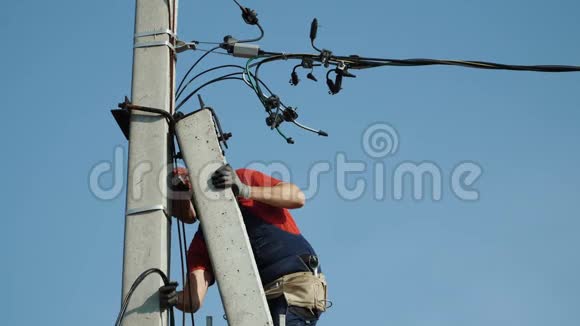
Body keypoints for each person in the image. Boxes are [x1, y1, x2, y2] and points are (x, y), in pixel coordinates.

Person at [160, 164, 327, 326]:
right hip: (259, 305)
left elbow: (297, 197)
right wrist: (175, 298)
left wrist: (244, 190)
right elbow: (194, 300)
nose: (177, 214)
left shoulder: (240, 179)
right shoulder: (202, 242)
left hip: (294, 289)